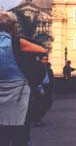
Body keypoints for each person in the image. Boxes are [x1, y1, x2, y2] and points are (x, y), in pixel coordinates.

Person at [0, 11, 48, 146]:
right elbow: (42, 50)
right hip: (18, 92)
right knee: (20, 132)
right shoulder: (18, 42)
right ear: (14, 27)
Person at [32, 54, 54, 127]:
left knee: (48, 103)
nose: (45, 61)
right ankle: (37, 120)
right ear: (40, 60)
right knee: (39, 104)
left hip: (47, 87)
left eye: (46, 59)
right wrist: (39, 87)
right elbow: (36, 78)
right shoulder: (37, 68)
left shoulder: (49, 69)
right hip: (40, 87)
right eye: (44, 59)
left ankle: (38, 118)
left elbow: (51, 78)